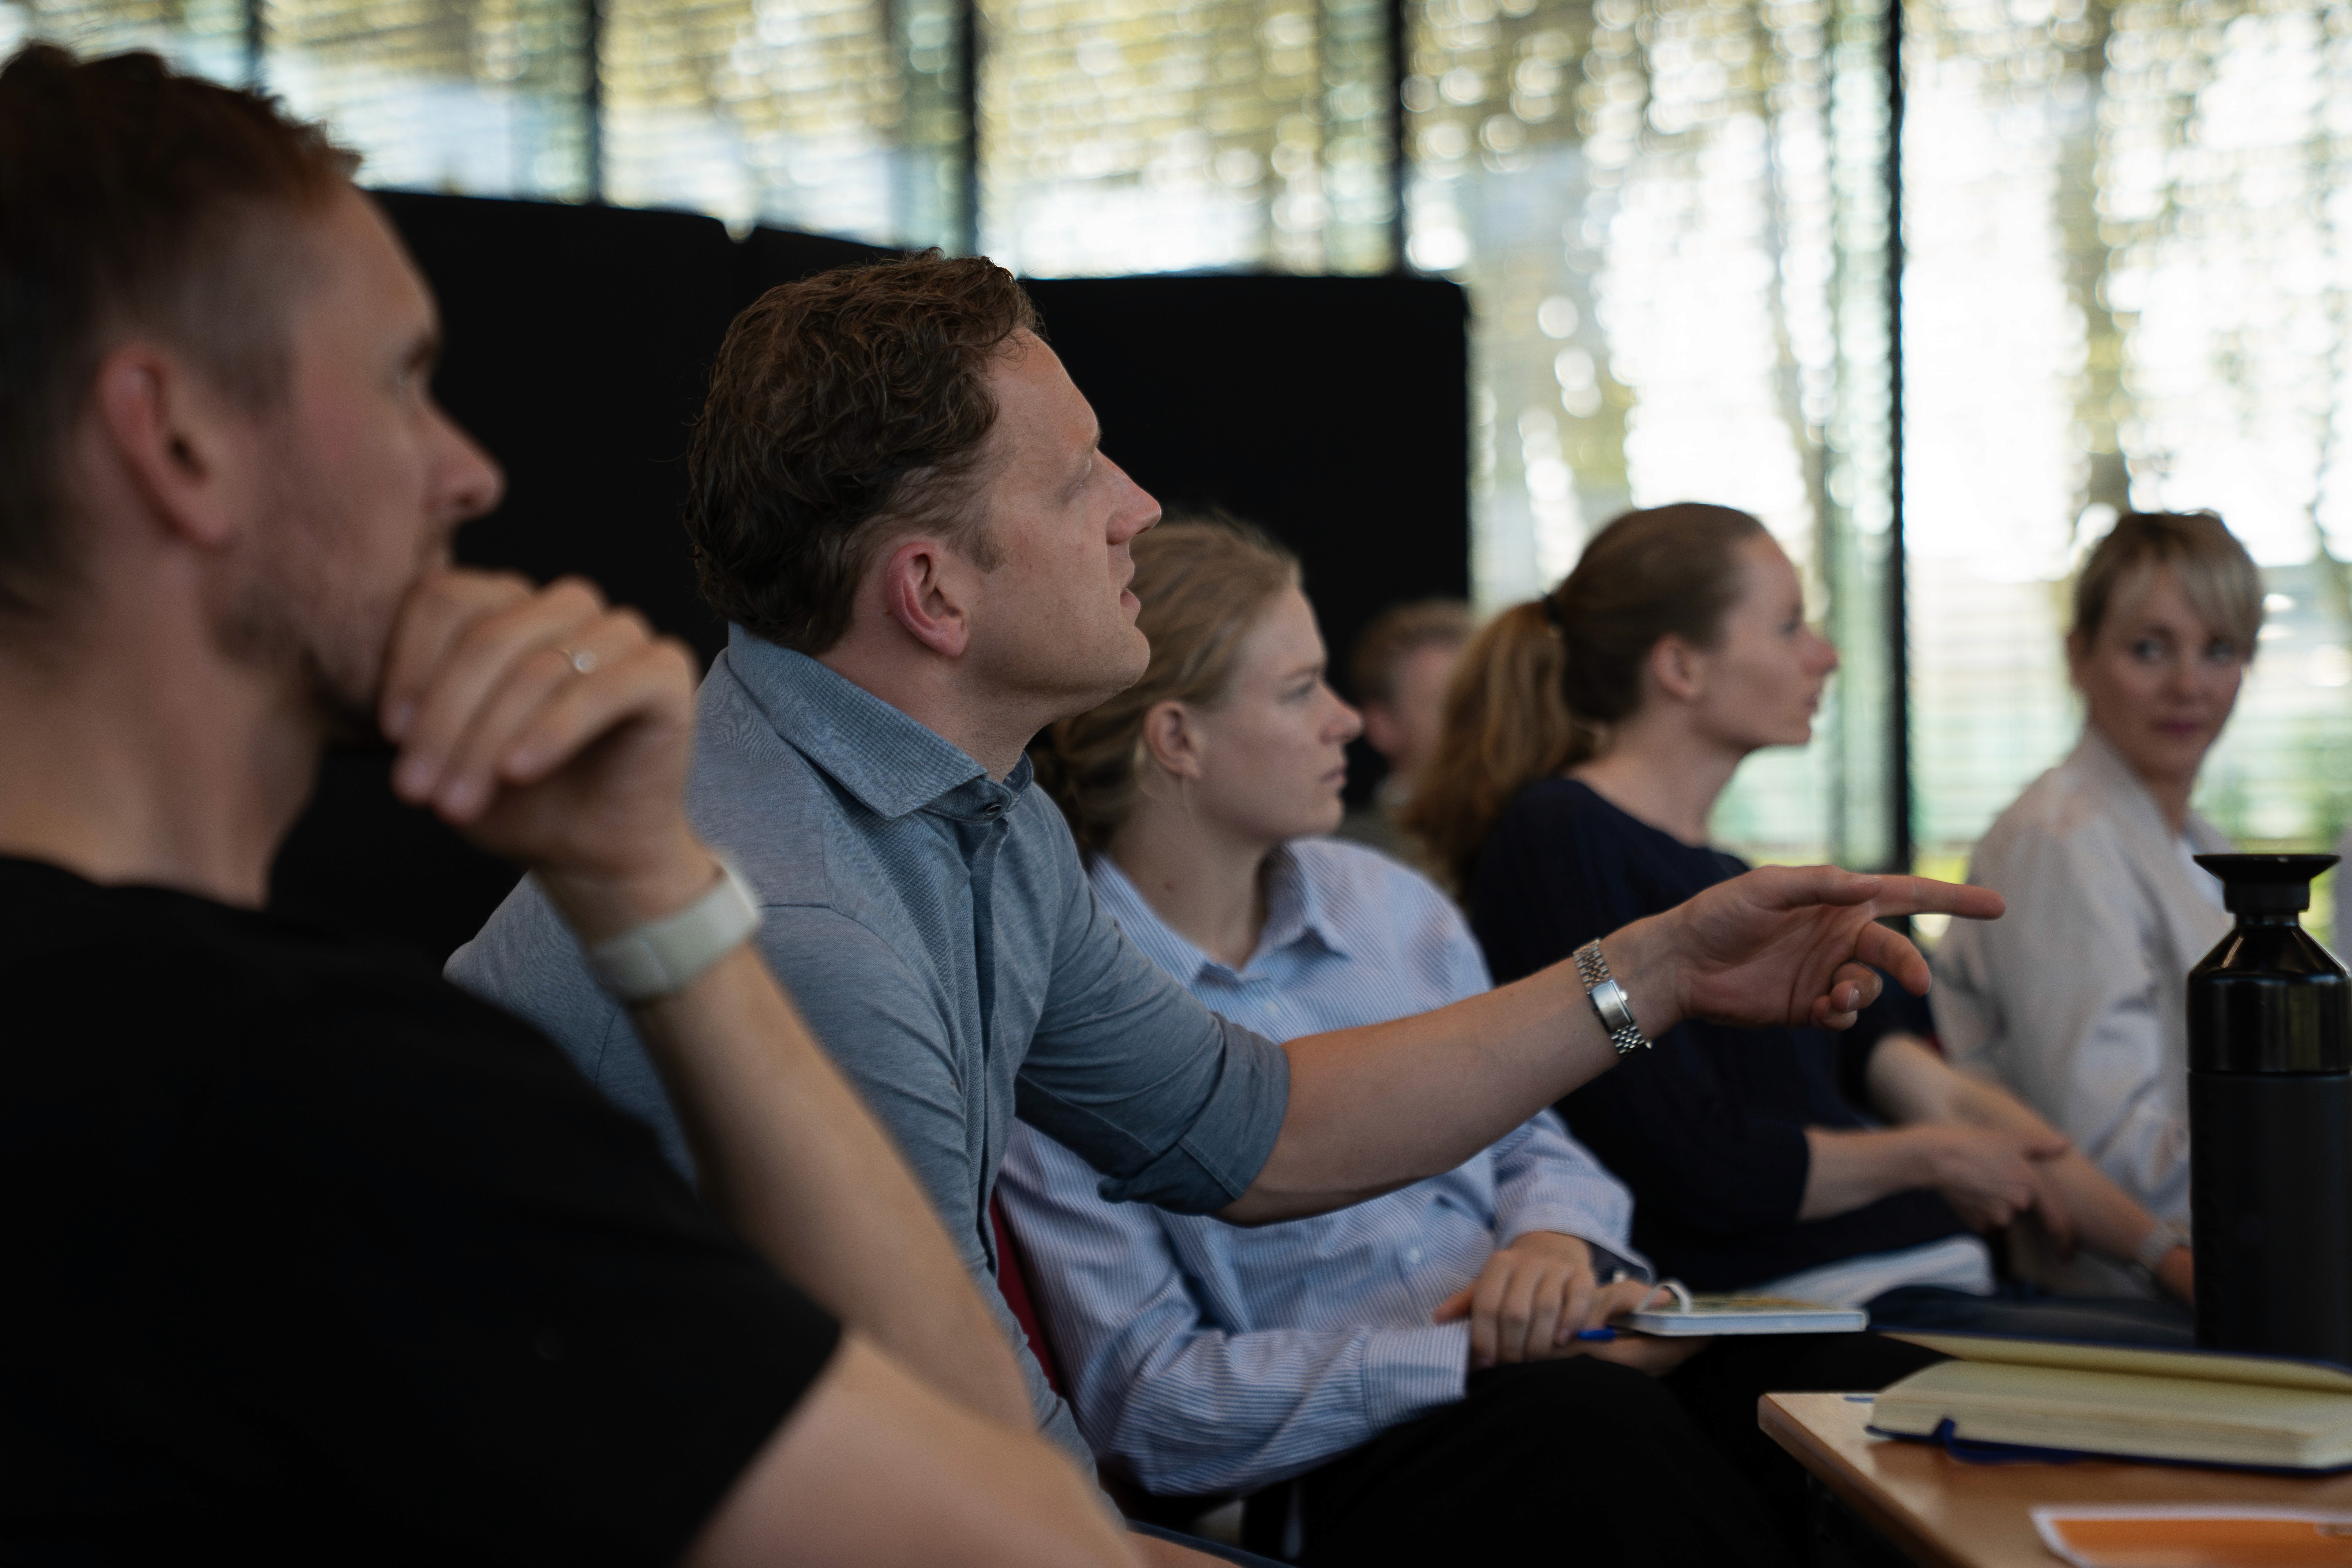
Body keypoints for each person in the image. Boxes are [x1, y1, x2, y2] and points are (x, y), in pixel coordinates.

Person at [447, 253, 2001, 1501]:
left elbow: (1247, 1124)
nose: (1135, 505)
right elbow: (985, 1471)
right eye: (1077, 480)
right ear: (932, 592)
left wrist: (1653, 969)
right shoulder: (805, 922)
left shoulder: (976, 814)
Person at [0, 43, 1165, 1565]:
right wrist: (655, 896)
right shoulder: (318, 1103)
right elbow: (1035, 1543)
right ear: (177, 443)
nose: (466, 473)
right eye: (401, 382)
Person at [1000, 518, 1785, 1565]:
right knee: (1594, 1436)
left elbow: (1534, 1143)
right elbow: (1146, 1403)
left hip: (1556, 1378)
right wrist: (1469, 1353)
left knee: (1794, 1399)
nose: (1346, 722)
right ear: (1177, 739)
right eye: (1300, 691)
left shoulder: (1389, 904)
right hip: (1350, 1457)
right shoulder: (1066, 1026)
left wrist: (1554, 1247)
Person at [1407, 502, 2198, 1536]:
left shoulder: (1734, 883)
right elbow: (1698, 1164)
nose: (1823, 654)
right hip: (1810, 1318)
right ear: (1679, 665)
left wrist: (2165, 1257)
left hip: (1929, 1294)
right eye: (1787, 624)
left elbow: (1954, 1102)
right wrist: (1927, 1158)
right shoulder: (1560, 836)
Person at [1933, 513, 2263, 1296]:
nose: (2188, 685)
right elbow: (2107, 1145)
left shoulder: (2196, 842)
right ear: (2078, 656)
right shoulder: (2059, 842)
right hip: (2124, 1294)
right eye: (2148, 648)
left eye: (2218, 650)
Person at [1332, 596, 1471, 865]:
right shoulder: (1345, 856)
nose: (1478, 718)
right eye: (1447, 704)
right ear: (1382, 727)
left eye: (1484, 698)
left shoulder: (1524, 828)